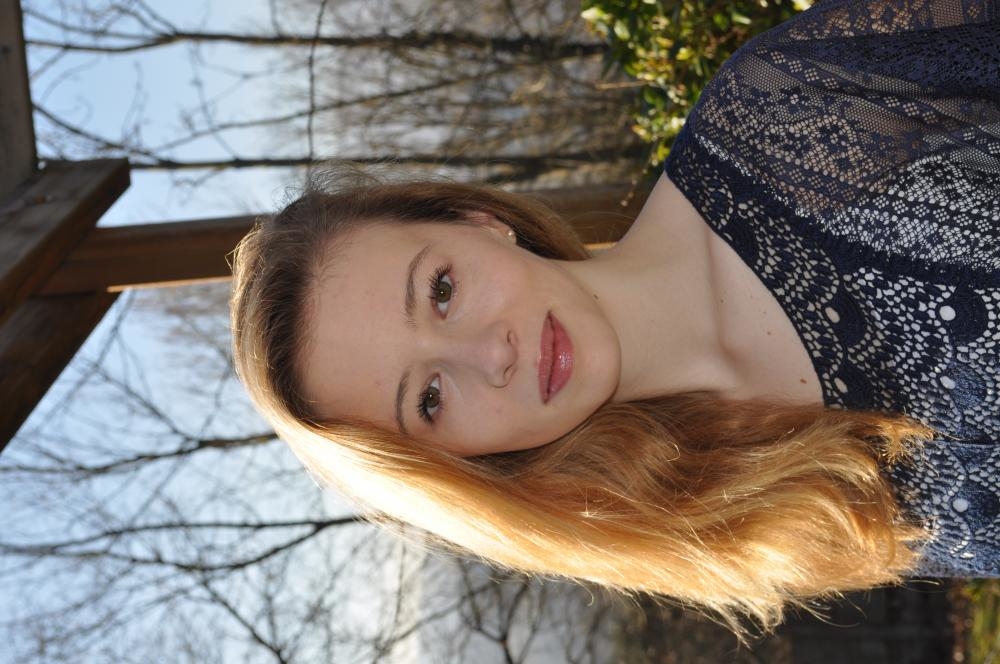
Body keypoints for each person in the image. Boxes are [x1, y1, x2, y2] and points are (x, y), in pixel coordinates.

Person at [229, 0, 999, 633]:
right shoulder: (748, 525)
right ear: (461, 464)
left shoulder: (786, 103)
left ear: (477, 221)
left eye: (441, 290)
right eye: (429, 398)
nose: (490, 356)